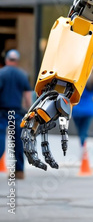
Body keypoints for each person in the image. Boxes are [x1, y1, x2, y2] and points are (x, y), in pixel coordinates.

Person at [0, 50, 32, 179]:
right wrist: (30, 111)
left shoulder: (1, 73)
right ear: (17, 61)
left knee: (1, 138)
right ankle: (19, 171)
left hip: (2, 112)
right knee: (18, 141)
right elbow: (28, 96)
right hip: (17, 113)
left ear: (7, 60)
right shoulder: (22, 75)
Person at [72, 68, 93, 148]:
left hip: (76, 110)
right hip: (89, 109)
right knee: (84, 129)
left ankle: (82, 144)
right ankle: (83, 143)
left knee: (80, 129)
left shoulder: (76, 81)